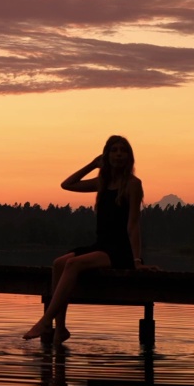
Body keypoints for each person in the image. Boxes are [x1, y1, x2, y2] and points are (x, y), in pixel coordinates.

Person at [22, 135, 150, 342]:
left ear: (129, 157)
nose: (118, 154)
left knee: (72, 264)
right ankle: (60, 328)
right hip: (101, 245)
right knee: (58, 264)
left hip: (120, 250)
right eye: (114, 150)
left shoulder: (133, 184)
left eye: (123, 150)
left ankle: (46, 320)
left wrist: (136, 260)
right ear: (106, 155)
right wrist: (92, 164)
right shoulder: (102, 182)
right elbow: (67, 184)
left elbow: (133, 224)